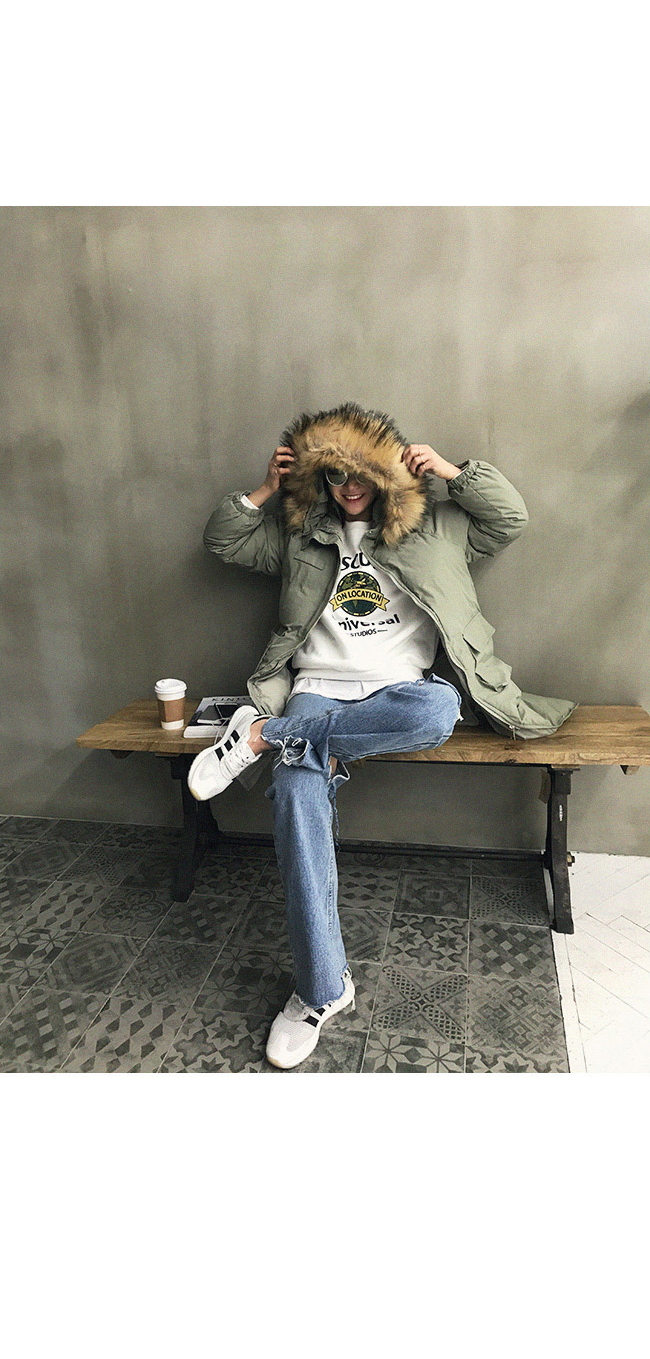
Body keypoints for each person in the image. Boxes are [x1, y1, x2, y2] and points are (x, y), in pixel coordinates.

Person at [192, 401, 578, 1069]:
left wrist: (453, 473)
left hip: (398, 692)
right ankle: (321, 990)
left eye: (360, 473)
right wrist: (265, 489)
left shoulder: (437, 526)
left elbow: (509, 518)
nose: (349, 487)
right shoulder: (300, 533)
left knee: (437, 712)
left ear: (384, 473)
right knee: (296, 797)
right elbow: (224, 541)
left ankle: (263, 736)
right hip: (317, 688)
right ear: (320, 478)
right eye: (334, 474)